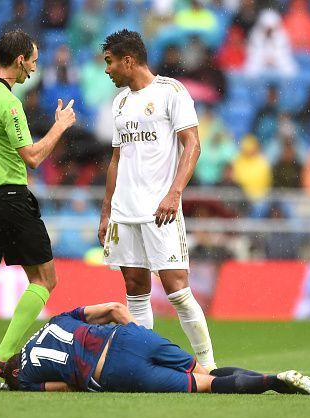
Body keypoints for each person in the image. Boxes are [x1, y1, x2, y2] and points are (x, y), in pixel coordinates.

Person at [0, 30, 76, 390]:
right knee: (45, 279)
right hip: (9, 197)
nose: (34, 70)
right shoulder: (9, 103)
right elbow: (34, 158)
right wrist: (60, 126)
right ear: (20, 60)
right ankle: (2, 355)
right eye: (34, 62)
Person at [97, 29, 216, 370]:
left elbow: (192, 145)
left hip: (160, 210)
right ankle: (142, 363)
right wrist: (106, 212)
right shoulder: (119, 102)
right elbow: (117, 160)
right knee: (135, 287)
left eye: (110, 62)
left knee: (177, 289)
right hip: (124, 211)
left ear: (128, 60)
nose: (107, 70)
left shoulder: (171, 92)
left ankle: (208, 366)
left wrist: (174, 193)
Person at [2, 302, 310, 396]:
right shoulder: (56, 320)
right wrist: (139, 334)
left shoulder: (26, 377)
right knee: (207, 371)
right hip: (131, 337)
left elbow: (67, 386)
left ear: (17, 369)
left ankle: (275, 380)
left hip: (113, 371)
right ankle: (285, 381)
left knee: (208, 385)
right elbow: (116, 308)